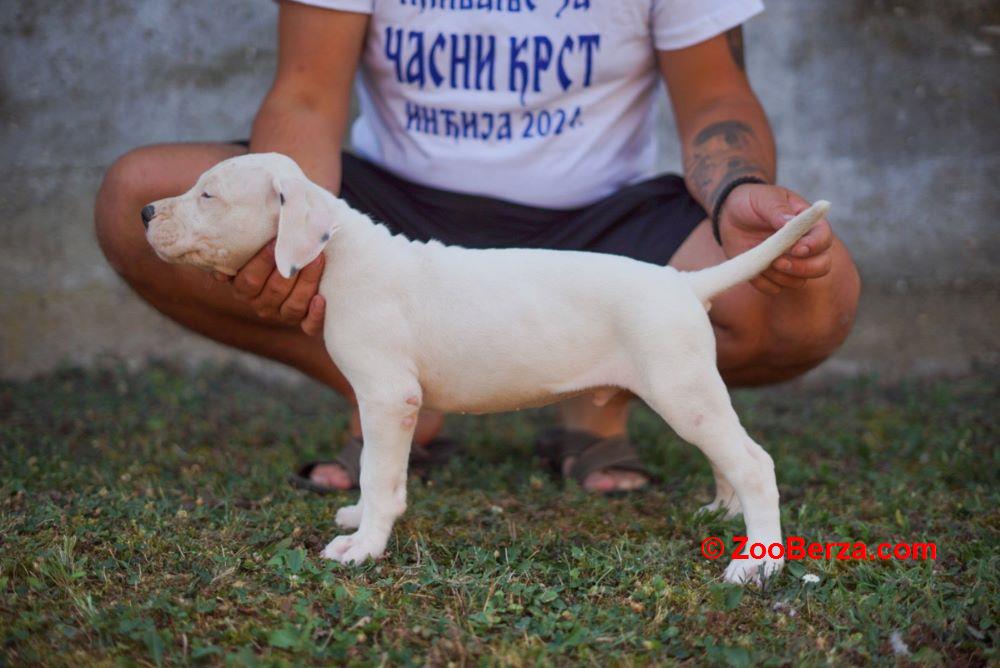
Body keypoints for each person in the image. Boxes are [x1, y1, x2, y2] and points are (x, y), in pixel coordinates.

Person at [95, 0, 860, 495]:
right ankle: (392, 393)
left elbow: (718, 97)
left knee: (809, 294)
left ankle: (598, 407)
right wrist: (287, 236)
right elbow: (305, 93)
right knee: (140, 193)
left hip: (596, 225)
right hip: (395, 216)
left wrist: (735, 192)